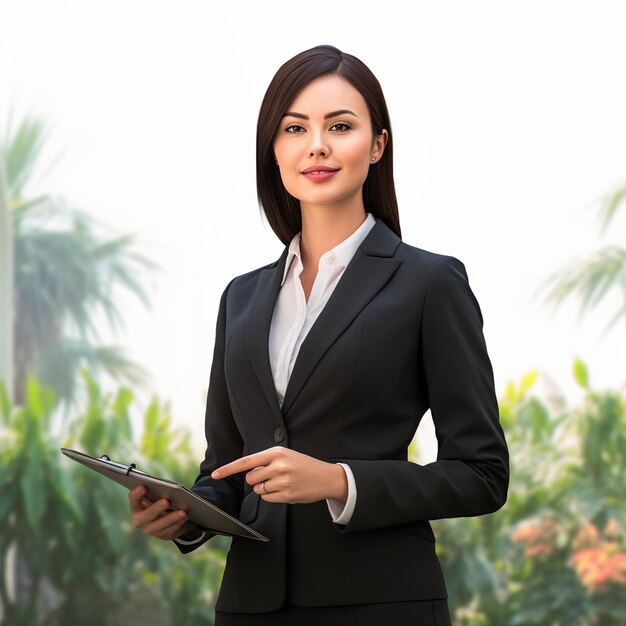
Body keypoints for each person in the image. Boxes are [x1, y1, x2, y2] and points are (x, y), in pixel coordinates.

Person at [129, 44, 509, 625]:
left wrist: (338, 481)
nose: (317, 145)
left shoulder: (430, 283)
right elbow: (227, 472)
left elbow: (482, 475)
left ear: (377, 144)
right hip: (251, 605)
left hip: (381, 602)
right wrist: (184, 514)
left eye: (340, 125)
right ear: (274, 150)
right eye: (295, 128)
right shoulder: (242, 298)